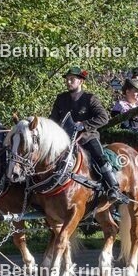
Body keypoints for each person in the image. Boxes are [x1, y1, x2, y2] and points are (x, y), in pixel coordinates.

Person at [49, 67, 123, 201]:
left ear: (81, 81)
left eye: (72, 79)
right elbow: (53, 120)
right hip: (64, 140)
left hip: (86, 137)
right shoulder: (61, 99)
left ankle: (113, 187)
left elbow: (103, 117)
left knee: (99, 155)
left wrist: (83, 125)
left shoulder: (90, 99)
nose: (69, 82)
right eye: (67, 79)